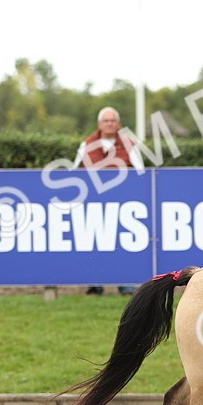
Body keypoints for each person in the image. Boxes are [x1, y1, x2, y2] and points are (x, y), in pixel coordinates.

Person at [74, 107, 144, 296]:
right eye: (106, 120)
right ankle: (95, 285)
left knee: (123, 245)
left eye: (113, 120)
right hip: (94, 206)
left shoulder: (130, 145)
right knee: (94, 245)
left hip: (122, 206)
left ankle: (126, 285)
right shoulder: (86, 144)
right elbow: (75, 174)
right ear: (99, 124)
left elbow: (140, 174)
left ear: (118, 124)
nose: (110, 124)